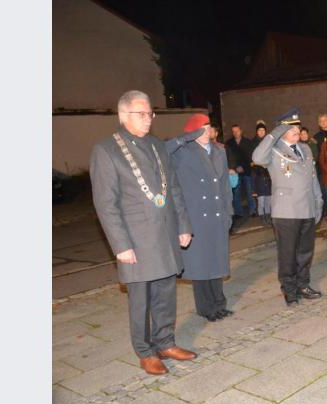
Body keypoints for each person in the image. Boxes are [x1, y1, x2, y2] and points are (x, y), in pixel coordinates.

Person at [89, 90, 197, 375]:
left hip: (164, 235)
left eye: (150, 113)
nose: (148, 119)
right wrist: (120, 245)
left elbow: (173, 189)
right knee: (141, 300)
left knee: (166, 293)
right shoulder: (106, 150)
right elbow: (105, 203)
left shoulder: (157, 146)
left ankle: (165, 342)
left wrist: (183, 225)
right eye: (141, 114)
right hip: (135, 240)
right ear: (123, 115)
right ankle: (145, 350)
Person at [252, 109, 324, 306]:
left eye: (298, 128)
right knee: (288, 254)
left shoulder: (306, 149)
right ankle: (289, 290)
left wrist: (318, 201)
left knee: (305, 252)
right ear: (282, 131)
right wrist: (275, 132)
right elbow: (257, 158)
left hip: (307, 208)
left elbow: (313, 178)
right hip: (286, 212)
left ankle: (303, 284)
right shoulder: (273, 151)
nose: (297, 131)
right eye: (292, 129)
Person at [167, 113, 234, 323]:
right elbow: (160, 152)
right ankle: (206, 308)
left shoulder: (219, 151)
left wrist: (228, 211)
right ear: (193, 132)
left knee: (217, 262)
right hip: (196, 216)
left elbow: (224, 186)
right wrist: (182, 138)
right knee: (201, 265)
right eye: (202, 128)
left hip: (217, 214)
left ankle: (219, 304)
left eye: (208, 127)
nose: (207, 131)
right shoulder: (182, 151)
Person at [226, 125, 256, 219]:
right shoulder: (229, 143)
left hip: (246, 170)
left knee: (249, 191)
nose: (235, 133)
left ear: (241, 131)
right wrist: (234, 168)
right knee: (236, 193)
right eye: (233, 131)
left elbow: (250, 157)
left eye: (237, 131)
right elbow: (228, 158)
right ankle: (239, 212)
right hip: (234, 172)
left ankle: (252, 211)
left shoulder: (247, 142)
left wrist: (243, 166)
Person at [251, 123, 273, 224]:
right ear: (256, 132)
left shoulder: (269, 142)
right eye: (259, 130)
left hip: (267, 170)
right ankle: (262, 216)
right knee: (261, 202)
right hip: (257, 170)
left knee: (268, 201)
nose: (261, 132)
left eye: (263, 130)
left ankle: (268, 216)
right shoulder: (253, 143)